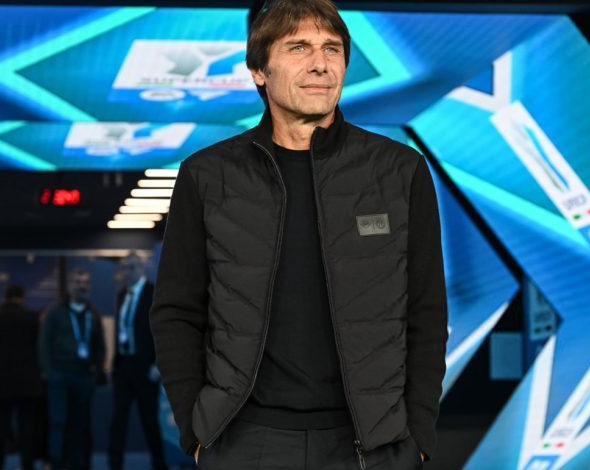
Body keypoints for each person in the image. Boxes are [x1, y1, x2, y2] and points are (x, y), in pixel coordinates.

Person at [150, 0, 448, 468]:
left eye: (332, 49)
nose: (320, 64)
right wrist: (197, 432)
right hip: (243, 443)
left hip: (374, 447)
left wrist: (419, 437)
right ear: (258, 71)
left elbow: (426, 312)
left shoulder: (399, 171)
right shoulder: (206, 176)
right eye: (298, 48)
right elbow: (176, 312)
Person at [39, 268, 105, 470]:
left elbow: (100, 344)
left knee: (81, 424)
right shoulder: (55, 312)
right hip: (59, 373)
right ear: (70, 286)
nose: (82, 286)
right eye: (77, 282)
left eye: (85, 282)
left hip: (83, 375)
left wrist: (97, 370)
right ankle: (57, 463)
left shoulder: (93, 313)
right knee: (58, 422)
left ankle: (78, 464)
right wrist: (48, 372)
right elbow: (44, 342)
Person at [108, 253, 166, 470]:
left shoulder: (153, 292)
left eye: (133, 267)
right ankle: (115, 464)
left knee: (149, 420)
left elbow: (163, 331)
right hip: (123, 365)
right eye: (125, 267)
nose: (128, 272)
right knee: (118, 420)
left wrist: (158, 363)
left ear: (142, 268)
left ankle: (159, 464)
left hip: (146, 367)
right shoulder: (122, 294)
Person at [0, 284, 43, 470]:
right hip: (28, 384)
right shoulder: (32, 318)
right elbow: (40, 349)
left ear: (5, 297)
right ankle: (28, 465)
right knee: (27, 430)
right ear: (22, 297)